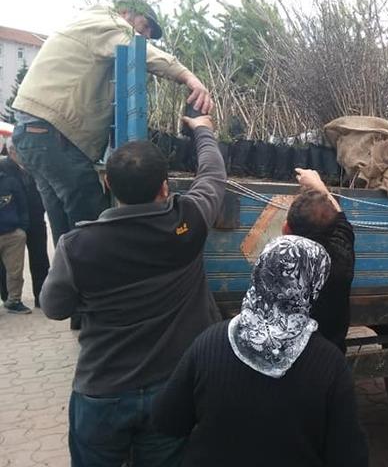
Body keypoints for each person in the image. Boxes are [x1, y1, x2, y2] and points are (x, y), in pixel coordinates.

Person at [40, 115, 225, 467]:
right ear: (165, 187)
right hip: (169, 391)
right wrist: (202, 130)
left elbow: (54, 307)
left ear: (107, 182)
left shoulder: (77, 246)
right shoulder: (188, 221)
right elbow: (213, 175)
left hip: (102, 393)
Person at [11, 0, 213, 248]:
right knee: (92, 216)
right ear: (127, 12)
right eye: (147, 24)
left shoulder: (87, 24)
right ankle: (101, 281)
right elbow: (141, 51)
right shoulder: (106, 22)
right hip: (51, 132)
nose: (147, 34)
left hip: (35, 133)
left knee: (65, 223)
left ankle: (67, 280)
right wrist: (189, 78)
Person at [152, 235, 369, 467]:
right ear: (314, 284)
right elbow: (350, 457)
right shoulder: (329, 364)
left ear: (260, 272)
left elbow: (167, 420)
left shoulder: (209, 343)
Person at [282, 168, 355, 353]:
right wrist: (320, 186)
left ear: (286, 230)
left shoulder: (280, 265)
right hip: (331, 354)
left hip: (292, 356)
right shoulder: (342, 258)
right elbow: (342, 222)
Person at [0, 142, 49, 309]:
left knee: (40, 258)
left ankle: (41, 297)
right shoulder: (3, 167)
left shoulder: (34, 163)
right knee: (8, 263)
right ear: (12, 151)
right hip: (12, 224)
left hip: (36, 219)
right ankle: (9, 298)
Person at [0, 152, 30, 314]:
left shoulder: (10, 182)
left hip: (12, 234)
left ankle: (14, 300)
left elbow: (22, 204)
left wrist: (21, 228)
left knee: (15, 271)